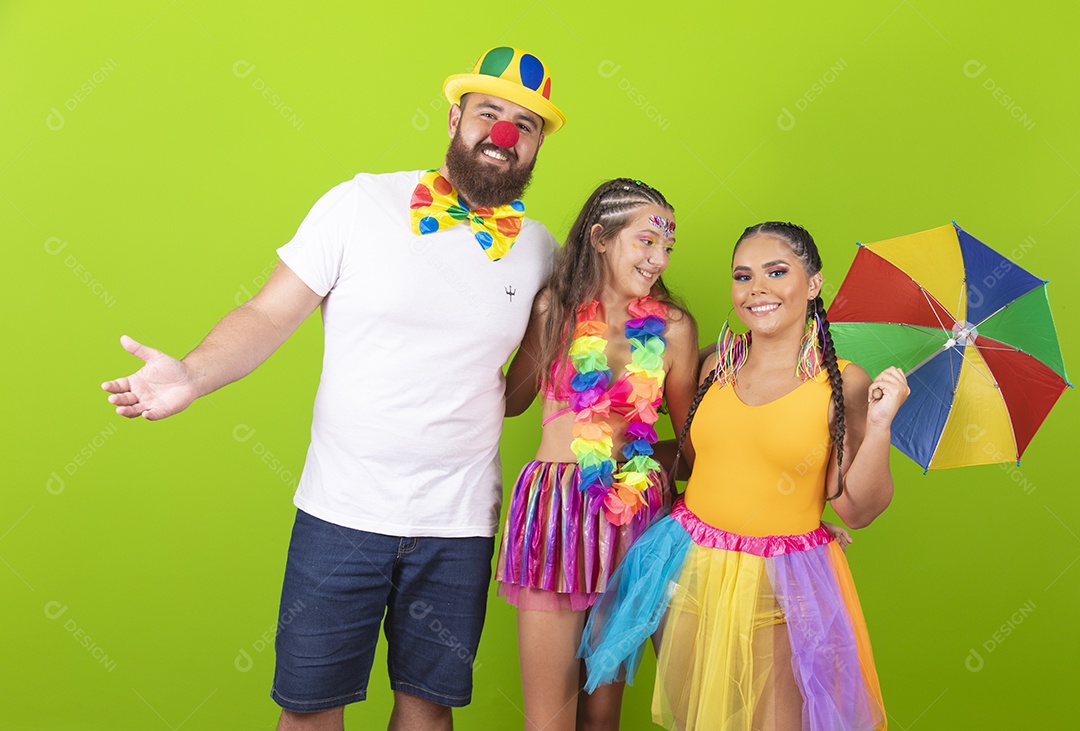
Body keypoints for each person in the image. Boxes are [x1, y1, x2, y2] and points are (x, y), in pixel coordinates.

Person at [101, 46, 565, 731]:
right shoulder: (359, 203)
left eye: (525, 125)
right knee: (311, 710)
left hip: (458, 523)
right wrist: (193, 374)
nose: (503, 134)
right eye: (489, 112)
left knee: (428, 713)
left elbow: (516, 393)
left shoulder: (538, 248)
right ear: (453, 119)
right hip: (342, 513)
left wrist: (551, 330)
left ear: (535, 146)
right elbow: (266, 314)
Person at [579, 221, 910, 731]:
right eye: (743, 275)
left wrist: (882, 424)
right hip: (687, 562)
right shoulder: (715, 368)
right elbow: (697, 460)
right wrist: (601, 456)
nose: (757, 289)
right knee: (700, 719)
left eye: (777, 272)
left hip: (780, 578)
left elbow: (857, 508)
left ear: (814, 283)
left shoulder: (841, 382)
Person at [497, 178, 700, 731]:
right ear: (600, 238)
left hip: (633, 515)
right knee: (549, 717)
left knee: (603, 711)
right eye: (646, 241)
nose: (658, 259)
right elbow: (511, 402)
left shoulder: (674, 329)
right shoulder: (553, 311)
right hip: (554, 511)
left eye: (667, 248)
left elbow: (688, 445)